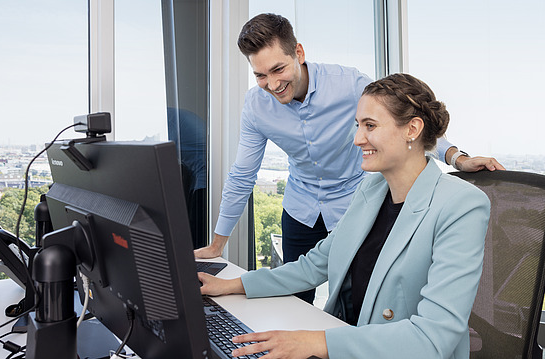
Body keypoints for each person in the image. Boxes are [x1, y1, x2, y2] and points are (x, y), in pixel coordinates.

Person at [194, 13, 503, 304]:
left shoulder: (348, 84)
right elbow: (242, 174)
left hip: (352, 203)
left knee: (357, 296)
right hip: (301, 208)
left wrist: (456, 158)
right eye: (260, 75)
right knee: (292, 296)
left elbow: (404, 122)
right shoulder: (256, 106)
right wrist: (218, 244)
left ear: (298, 53)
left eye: (278, 70)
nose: (272, 85)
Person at [199, 73, 490, 358]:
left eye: (370, 126)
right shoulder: (372, 190)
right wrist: (233, 285)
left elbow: (432, 338)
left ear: (412, 129)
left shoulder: (461, 205)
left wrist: (316, 343)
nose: (357, 139)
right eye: (357, 125)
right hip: (348, 343)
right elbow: (313, 266)